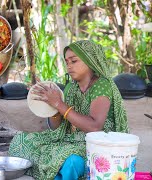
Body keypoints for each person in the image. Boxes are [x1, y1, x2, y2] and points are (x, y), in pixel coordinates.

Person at [8, 40, 129, 180]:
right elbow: (58, 127)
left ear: (90, 61)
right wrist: (52, 109)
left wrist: (59, 103)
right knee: (22, 141)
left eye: (74, 61)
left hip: (97, 145)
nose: (69, 66)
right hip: (71, 140)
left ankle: (61, 173)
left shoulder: (102, 85)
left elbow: (95, 127)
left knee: (71, 161)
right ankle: (57, 172)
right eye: (67, 62)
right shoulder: (72, 88)